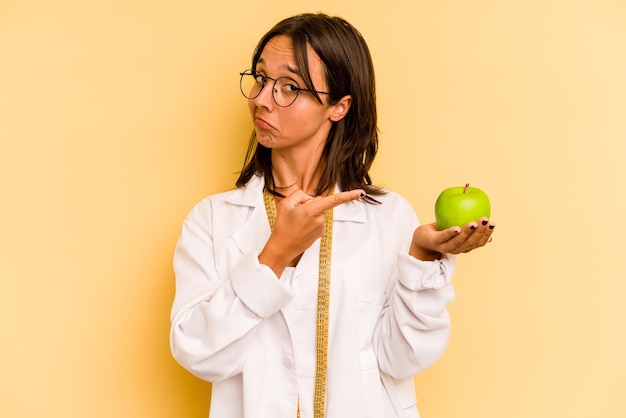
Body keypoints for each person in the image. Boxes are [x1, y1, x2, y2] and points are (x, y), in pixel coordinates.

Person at [170, 12, 495, 418]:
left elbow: (402, 359)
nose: (261, 99)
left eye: (289, 86)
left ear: (339, 107)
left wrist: (421, 259)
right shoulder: (213, 220)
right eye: (260, 78)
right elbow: (198, 353)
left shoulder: (389, 217)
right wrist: (274, 255)